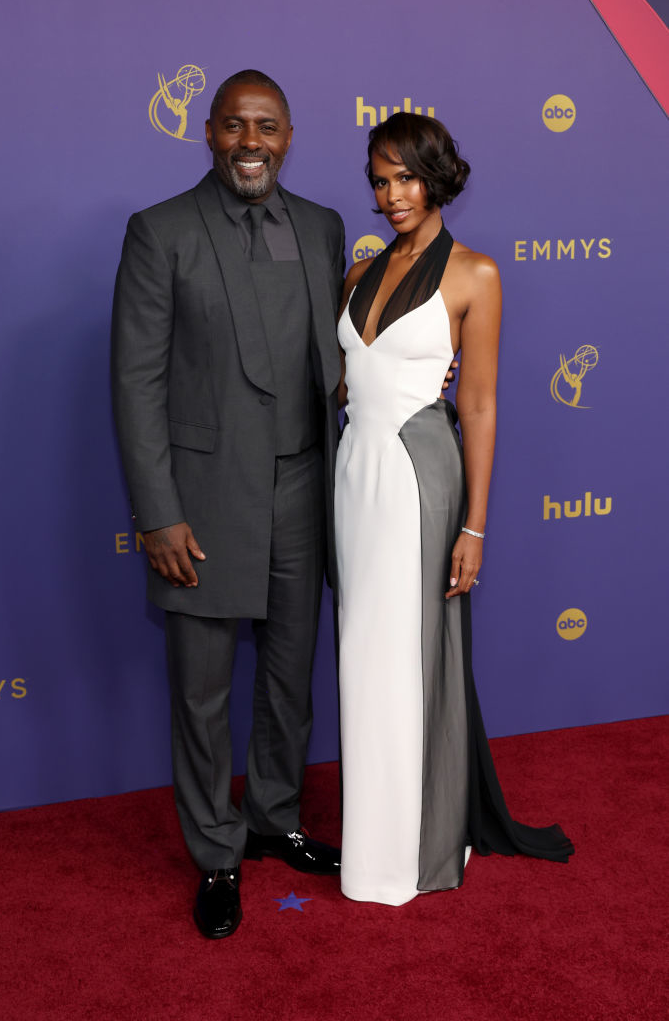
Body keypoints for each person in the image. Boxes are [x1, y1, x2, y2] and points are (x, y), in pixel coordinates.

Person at [111, 70, 347, 940]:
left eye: (269, 127)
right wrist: (156, 512)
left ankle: (274, 819)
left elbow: (341, 359)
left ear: (289, 136)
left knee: (289, 677)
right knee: (202, 692)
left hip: (304, 489)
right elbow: (135, 384)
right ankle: (216, 853)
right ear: (207, 133)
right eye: (236, 127)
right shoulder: (161, 232)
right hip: (202, 503)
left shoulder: (323, 228)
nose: (253, 143)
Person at [335, 112, 574, 906]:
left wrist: (473, 523)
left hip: (416, 477)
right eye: (379, 178)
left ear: (436, 178)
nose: (391, 193)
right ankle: (372, 834)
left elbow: (476, 406)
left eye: (405, 176)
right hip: (354, 475)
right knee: (363, 657)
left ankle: (415, 848)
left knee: (407, 658)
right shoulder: (359, 273)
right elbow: (349, 381)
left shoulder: (474, 274)